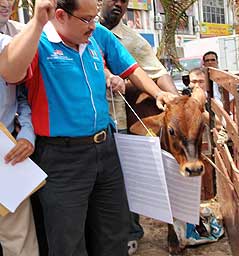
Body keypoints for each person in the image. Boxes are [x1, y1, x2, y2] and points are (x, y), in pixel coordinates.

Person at [0, 0, 175, 255]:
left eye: (94, 17)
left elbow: (130, 67)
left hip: (105, 149)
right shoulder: (37, 42)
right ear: (60, 15)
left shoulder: (98, 36)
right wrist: (37, 21)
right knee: (68, 241)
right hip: (61, 159)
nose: (94, 25)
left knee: (113, 233)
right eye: (86, 19)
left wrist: (157, 92)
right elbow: (12, 74)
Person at [97, 0, 179, 254]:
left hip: (121, 121)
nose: (119, 4)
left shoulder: (131, 40)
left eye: (124, 1)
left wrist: (175, 100)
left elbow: (154, 71)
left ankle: (131, 232)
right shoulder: (79, 32)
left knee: (125, 181)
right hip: (86, 122)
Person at [0, 34, 39, 256]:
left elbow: (24, 97)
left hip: (8, 157)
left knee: (19, 243)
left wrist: (27, 133)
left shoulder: (10, 45)